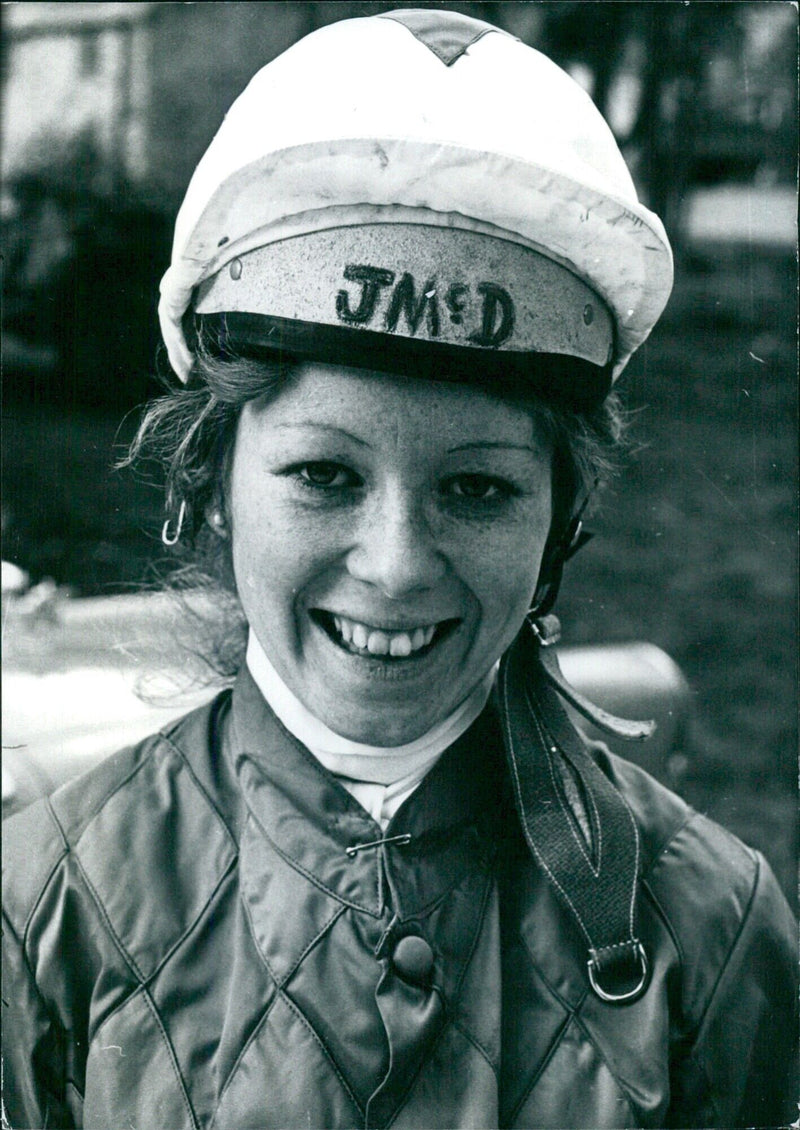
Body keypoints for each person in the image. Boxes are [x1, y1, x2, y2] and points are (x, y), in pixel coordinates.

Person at [2, 10, 796, 1129]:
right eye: (324, 474)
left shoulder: (708, 929)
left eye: (475, 488)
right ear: (209, 482)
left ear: (559, 521)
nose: (393, 564)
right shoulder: (44, 905)